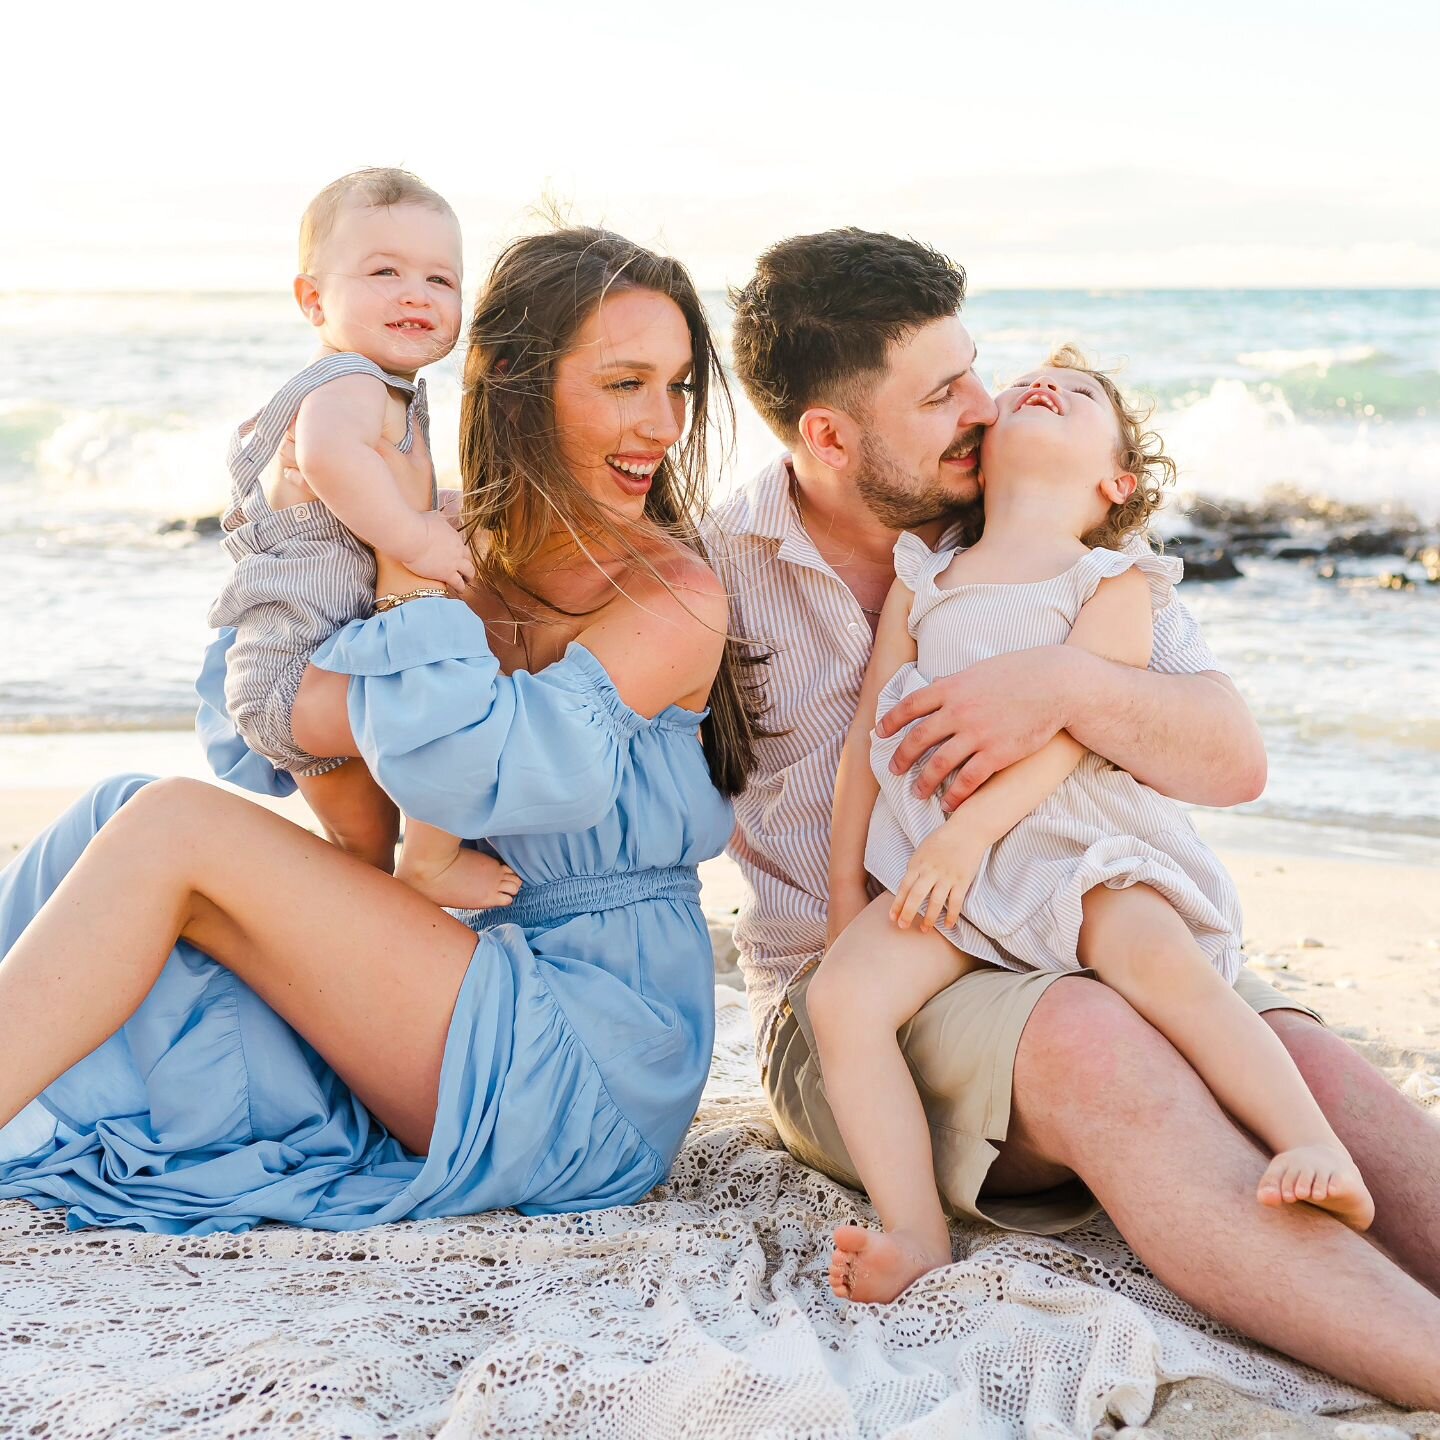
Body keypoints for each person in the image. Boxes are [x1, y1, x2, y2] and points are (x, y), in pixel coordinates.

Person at [711, 227, 1440, 1407]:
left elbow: (1231, 756)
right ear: (832, 436)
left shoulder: (1063, 549)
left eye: (976, 369)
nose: (986, 404)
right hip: (882, 993)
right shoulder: (721, 572)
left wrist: (1065, 690)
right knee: (1097, 1041)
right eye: (942, 391)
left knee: (1307, 1058)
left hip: (1068, 898)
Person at [0, 226, 756, 1236]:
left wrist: (403, 585)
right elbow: (262, 729)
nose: (662, 424)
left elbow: (475, 772)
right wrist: (308, 534)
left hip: (595, 1057)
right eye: (625, 383)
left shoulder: (674, 595)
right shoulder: (442, 535)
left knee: (173, 827)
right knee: (117, 812)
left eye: (679, 388)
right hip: (446, 994)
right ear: (517, 390)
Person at [811, 345, 1370, 1305]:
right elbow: (870, 729)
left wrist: (965, 836)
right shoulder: (927, 573)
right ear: (979, 460)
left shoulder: (1113, 578)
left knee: (1167, 970)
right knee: (841, 1001)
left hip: (1076, 847)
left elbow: (1073, 733)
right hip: (949, 871)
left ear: (1115, 481)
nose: (1045, 388)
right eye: (1034, 382)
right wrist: (843, 889)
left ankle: (1313, 1141)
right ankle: (914, 1230)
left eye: (1077, 397)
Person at [207, 166, 518, 910]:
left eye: (441, 280)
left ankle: (321, 942)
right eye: (385, 272)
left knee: (361, 862)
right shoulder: (347, 380)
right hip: (302, 669)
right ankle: (434, 866)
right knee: (448, 703)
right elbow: (329, 460)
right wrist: (416, 535)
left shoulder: (393, 392)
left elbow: (364, 489)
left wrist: (437, 504)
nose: (417, 294)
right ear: (313, 299)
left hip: (310, 674)